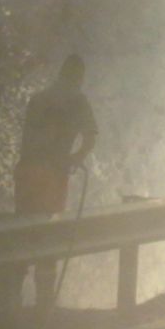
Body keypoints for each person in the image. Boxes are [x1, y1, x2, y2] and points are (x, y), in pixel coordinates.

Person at [14, 54, 98, 313]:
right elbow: (91, 136)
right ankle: (44, 301)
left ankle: (13, 298)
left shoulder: (39, 98)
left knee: (24, 231)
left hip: (27, 173)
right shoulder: (77, 100)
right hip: (52, 175)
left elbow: (27, 140)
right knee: (49, 235)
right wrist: (75, 158)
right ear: (79, 77)